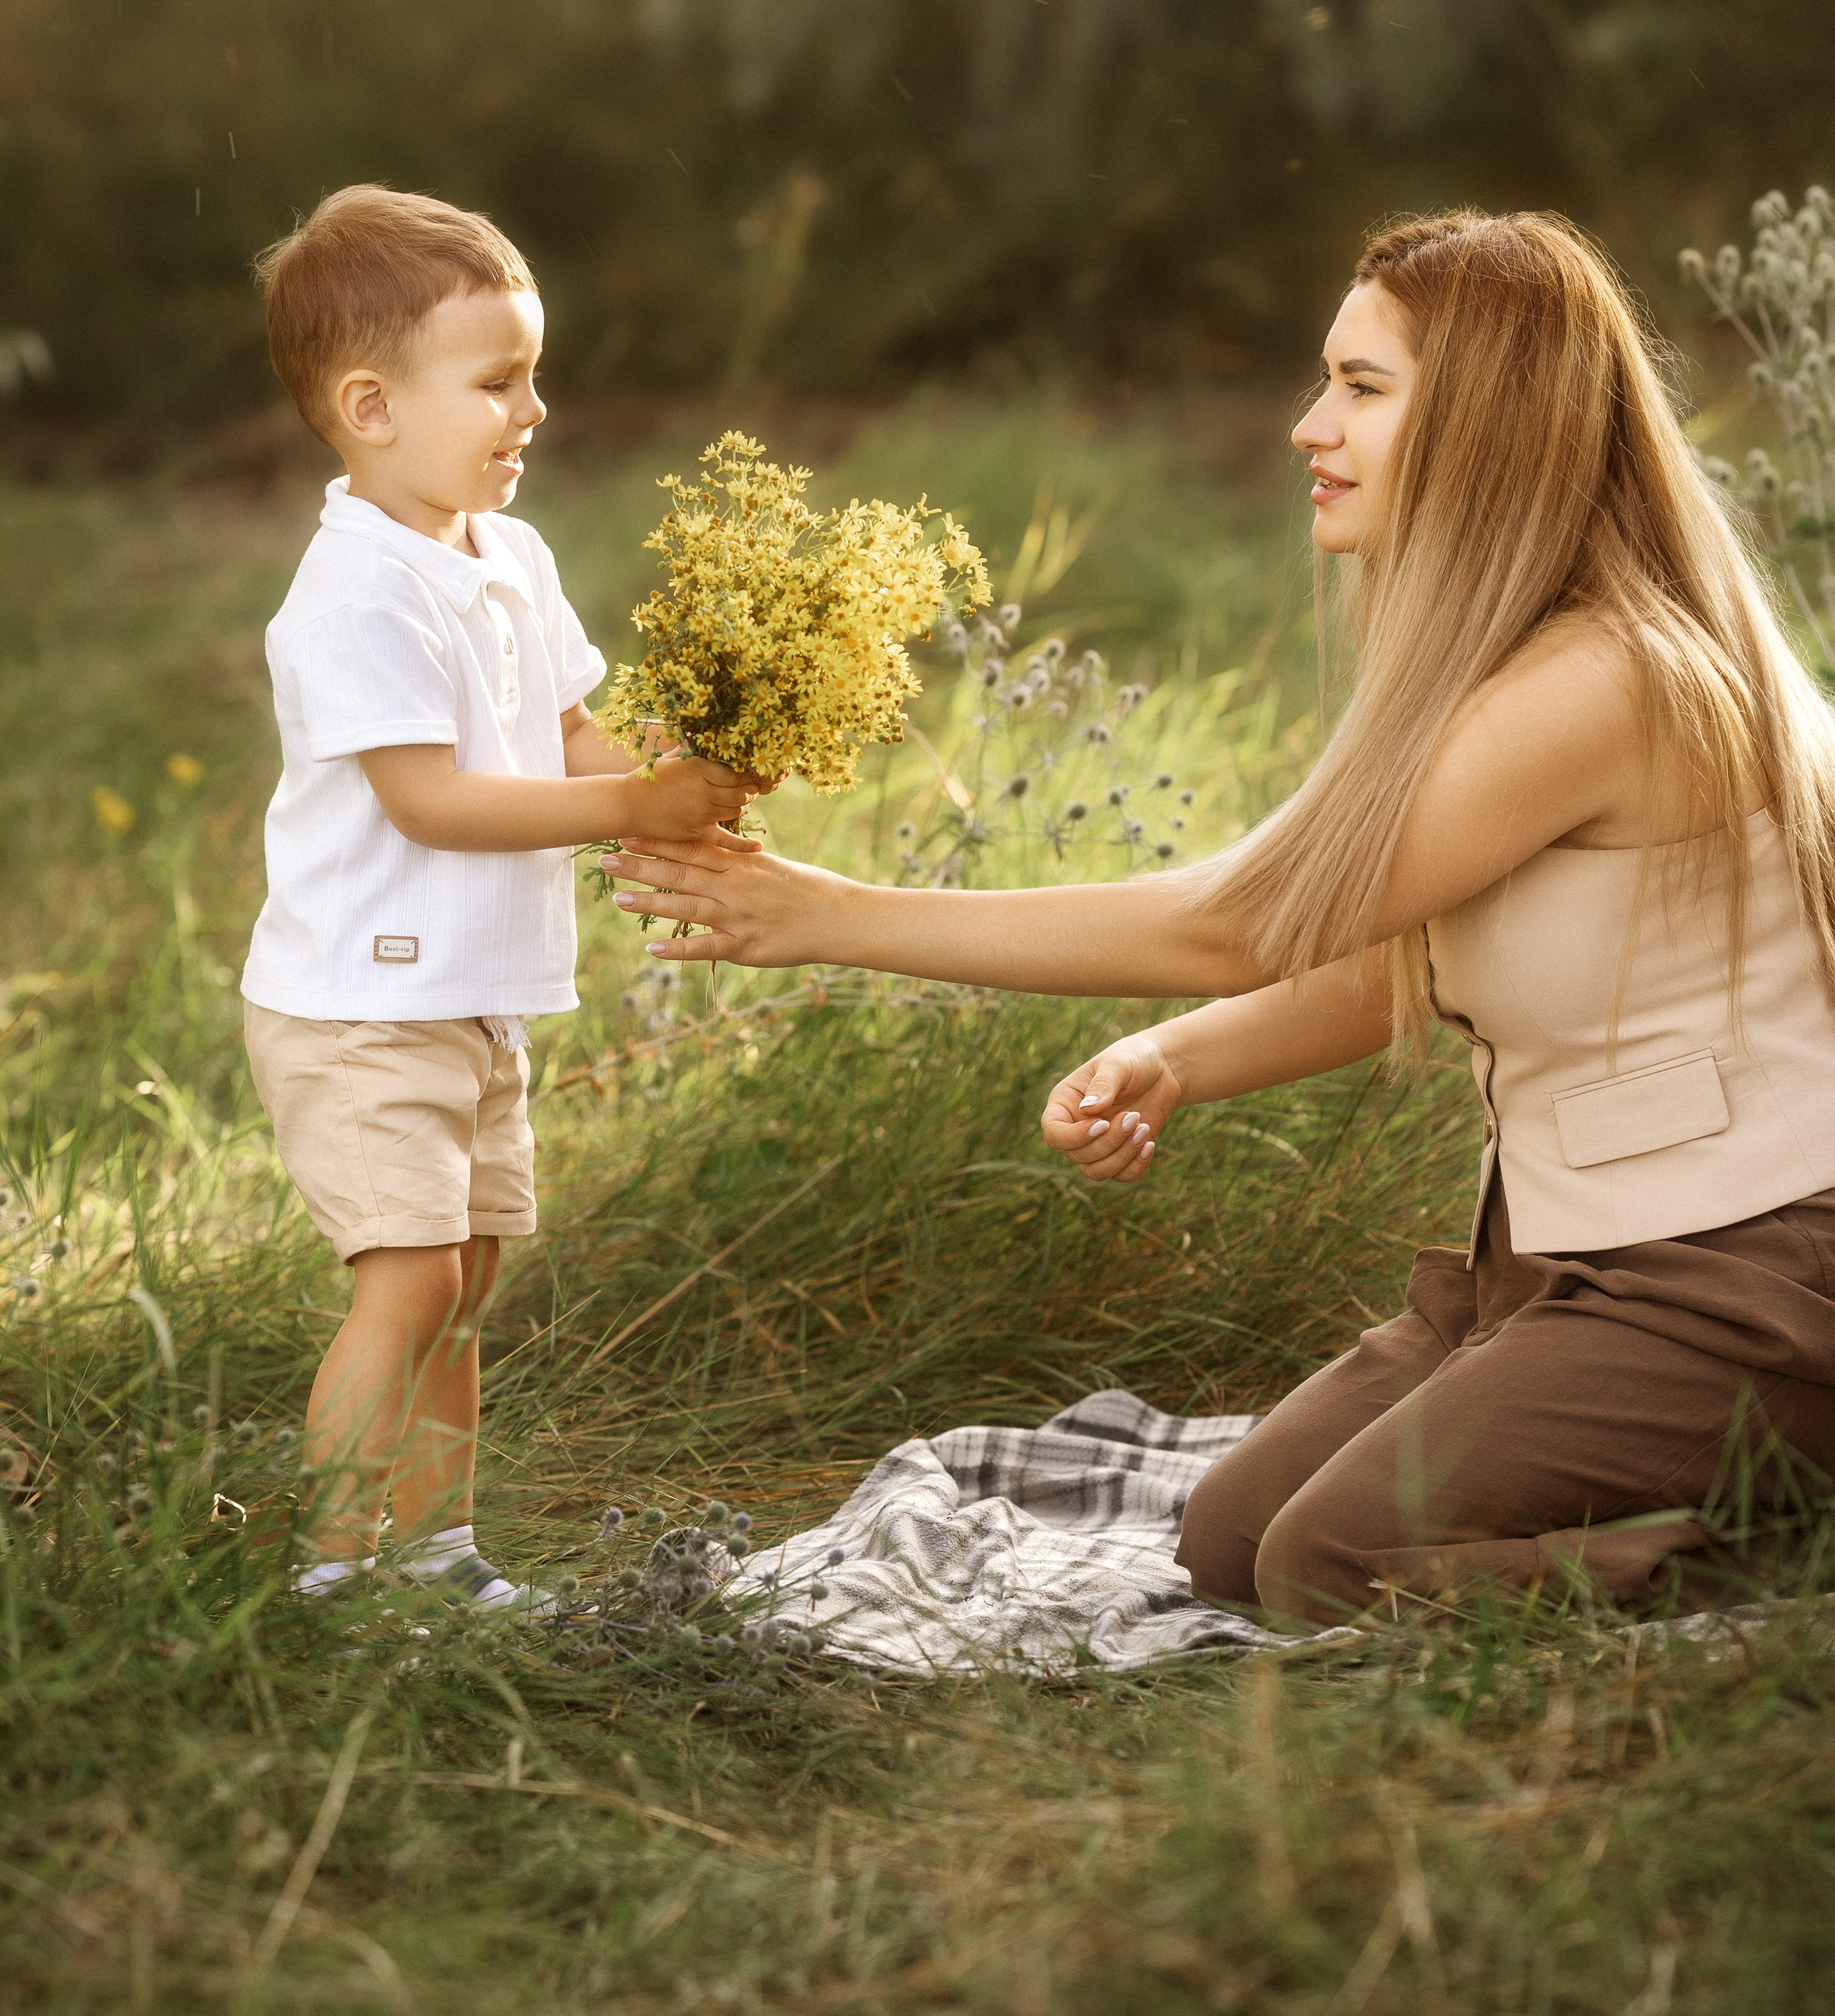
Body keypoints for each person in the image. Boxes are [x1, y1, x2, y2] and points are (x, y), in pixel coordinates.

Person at [600, 209, 1835, 1625]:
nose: (1311, 425)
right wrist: (1179, 1061)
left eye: (1362, 390)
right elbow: (1395, 963)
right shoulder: (1506, 667)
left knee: (1329, 1565)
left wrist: (824, 912)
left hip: (1745, 1283)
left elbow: (1244, 922)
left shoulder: (1602, 682)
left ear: (1492, 424)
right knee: (1228, 1539)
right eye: (1327, 380)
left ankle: (1784, 1559)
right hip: (1559, 1264)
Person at [242, 184, 757, 1609]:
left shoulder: (506, 555)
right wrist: (624, 810)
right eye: (497, 382)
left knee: (461, 1288)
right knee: (403, 1286)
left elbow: (569, 731)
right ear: (370, 406)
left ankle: (438, 1553)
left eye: (534, 374)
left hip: (465, 999)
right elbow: (434, 799)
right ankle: (338, 1579)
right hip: (361, 1003)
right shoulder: (357, 592)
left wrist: (672, 778)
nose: (532, 409)